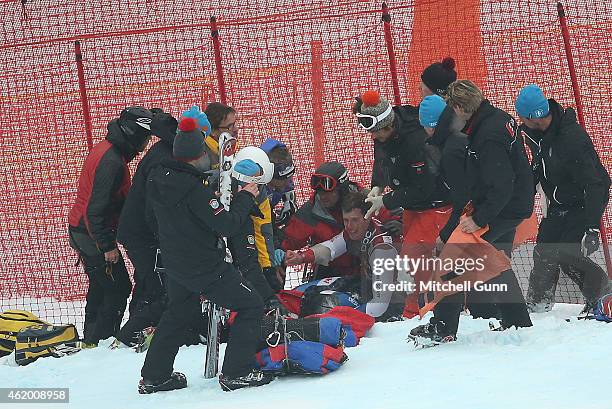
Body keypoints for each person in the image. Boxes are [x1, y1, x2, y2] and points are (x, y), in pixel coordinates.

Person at [139, 116, 274, 393]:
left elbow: (153, 219)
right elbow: (227, 224)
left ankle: (155, 375)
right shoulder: (193, 189)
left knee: (179, 311)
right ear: (196, 155)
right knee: (251, 305)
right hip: (203, 264)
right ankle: (237, 372)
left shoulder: (157, 177)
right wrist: (246, 196)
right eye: (204, 153)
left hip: (174, 261)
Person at [410, 80, 535, 344]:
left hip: (502, 207)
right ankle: (518, 322)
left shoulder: (487, 134)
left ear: (459, 107)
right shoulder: (493, 118)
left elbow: (501, 185)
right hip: (511, 203)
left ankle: (442, 327)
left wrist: (478, 219)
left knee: (454, 257)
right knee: (494, 259)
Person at [114, 107, 208, 349]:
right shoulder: (166, 158)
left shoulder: (170, 150)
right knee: (159, 289)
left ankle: (137, 332)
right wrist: (166, 236)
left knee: (152, 285)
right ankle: (128, 337)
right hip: (143, 235)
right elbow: (153, 207)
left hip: (146, 233)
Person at [515, 84, 611, 313]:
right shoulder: (534, 134)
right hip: (558, 204)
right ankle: (538, 303)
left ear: (531, 117)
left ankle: (603, 296)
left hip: (582, 204)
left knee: (567, 254)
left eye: (521, 115)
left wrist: (592, 226)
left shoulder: (572, 139)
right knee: (544, 250)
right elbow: (541, 167)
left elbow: (598, 182)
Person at [68, 107, 153, 347]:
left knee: (101, 285)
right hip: (91, 234)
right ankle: (101, 341)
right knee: (118, 288)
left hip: (84, 230)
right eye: (145, 138)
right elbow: (94, 211)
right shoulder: (112, 162)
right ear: (133, 134)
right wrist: (106, 246)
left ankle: (92, 340)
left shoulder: (110, 150)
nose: (145, 144)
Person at [285, 191, 409, 321]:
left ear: (368, 217)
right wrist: (301, 257)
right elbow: (331, 248)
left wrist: (345, 316)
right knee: (301, 291)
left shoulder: (381, 249)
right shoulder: (357, 232)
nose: (350, 226)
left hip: (394, 303)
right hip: (367, 287)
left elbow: (380, 305)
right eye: (346, 220)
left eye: (354, 220)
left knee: (325, 305)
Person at [280, 161, 362, 279]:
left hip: (365, 265)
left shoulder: (364, 201)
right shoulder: (310, 212)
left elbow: (387, 215)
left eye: (328, 192)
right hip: (330, 269)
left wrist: (395, 223)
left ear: (341, 189)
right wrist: (279, 257)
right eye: (319, 192)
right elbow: (287, 242)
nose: (322, 196)